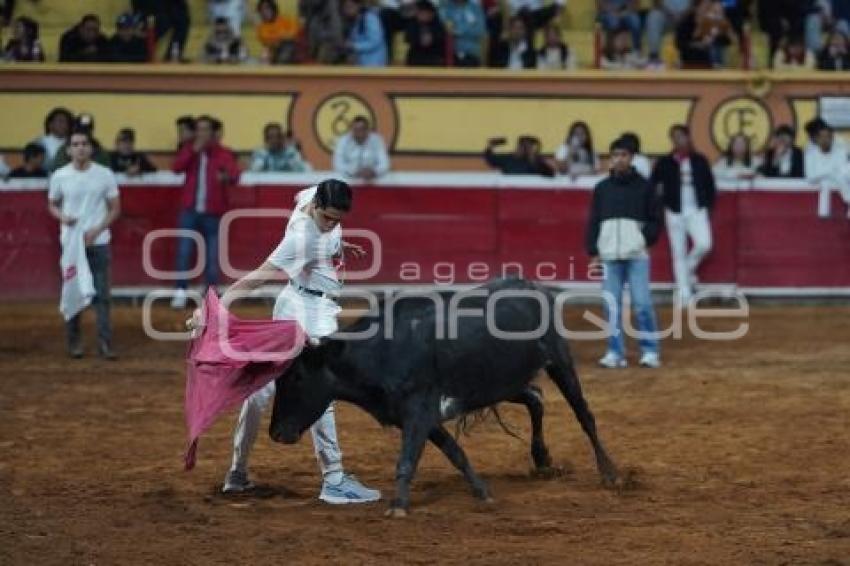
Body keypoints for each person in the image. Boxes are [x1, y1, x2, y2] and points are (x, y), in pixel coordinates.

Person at [213, 179, 380, 504]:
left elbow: (322, 231)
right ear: (316, 206)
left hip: (294, 304)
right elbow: (258, 276)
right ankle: (333, 480)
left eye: (338, 220)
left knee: (260, 392)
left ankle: (237, 472)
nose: (332, 225)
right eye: (327, 218)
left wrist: (338, 247)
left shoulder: (312, 195)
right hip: (312, 313)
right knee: (321, 391)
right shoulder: (301, 238)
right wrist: (217, 308)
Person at [586, 137, 662, 369]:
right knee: (611, 305)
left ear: (631, 158)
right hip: (609, 255)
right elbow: (594, 221)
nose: (619, 159)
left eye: (624, 155)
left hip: (636, 255)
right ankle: (615, 351)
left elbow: (656, 220)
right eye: (615, 155)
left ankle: (650, 351)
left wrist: (643, 239)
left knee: (642, 304)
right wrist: (594, 250)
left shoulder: (645, 187)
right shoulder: (602, 189)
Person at [47, 129, 121, 359]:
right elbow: (52, 204)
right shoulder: (60, 175)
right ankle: (74, 343)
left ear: (91, 148)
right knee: (72, 292)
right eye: (76, 144)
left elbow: (115, 208)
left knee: (102, 296)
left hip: (97, 241)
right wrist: (62, 217)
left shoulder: (104, 174)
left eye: (84, 143)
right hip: (72, 244)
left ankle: (104, 343)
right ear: (69, 150)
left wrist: (97, 229)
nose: (80, 147)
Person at [170, 115, 241, 309]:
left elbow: (235, 176)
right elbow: (176, 168)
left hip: (213, 213)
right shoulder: (189, 150)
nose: (202, 133)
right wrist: (193, 150)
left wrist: (225, 176)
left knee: (212, 257)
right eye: (199, 129)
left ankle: (210, 296)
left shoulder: (222, 153)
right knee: (184, 252)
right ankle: (180, 291)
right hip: (190, 210)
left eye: (205, 129)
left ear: (212, 132)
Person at [650, 124, 716, 303]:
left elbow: (710, 186)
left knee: (705, 244)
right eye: (675, 137)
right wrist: (662, 204)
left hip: (696, 210)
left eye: (681, 136)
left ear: (688, 137)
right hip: (674, 210)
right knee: (678, 252)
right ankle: (684, 293)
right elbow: (653, 183)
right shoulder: (665, 162)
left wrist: (706, 207)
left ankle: (686, 272)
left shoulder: (700, 160)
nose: (678, 140)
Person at [804, 120, 850, 217]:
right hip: (824, 187)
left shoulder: (841, 145)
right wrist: (829, 173)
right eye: (821, 137)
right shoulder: (810, 150)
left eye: (828, 136)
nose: (826, 139)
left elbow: (842, 171)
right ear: (815, 138)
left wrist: (830, 173)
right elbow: (811, 177)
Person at [332, 116, 390, 180]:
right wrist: (355, 172)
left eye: (362, 129)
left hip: (372, 180)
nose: (359, 133)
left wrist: (374, 171)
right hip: (349, 181)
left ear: (367, 130)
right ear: (351, 130)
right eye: (356, 129)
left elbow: (385, 163)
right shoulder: (343, 141)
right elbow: (338, 164)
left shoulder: (376, 140)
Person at [440, 0, 487, 67]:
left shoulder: (475, 8)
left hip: (471, 53)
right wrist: (469, 26)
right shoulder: (446, 7)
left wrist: (457, 30)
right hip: (450, 55)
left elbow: (479, 30)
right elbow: (443, 27)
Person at [342, 0, 388, 67]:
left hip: (374, 65)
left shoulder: (370, 18)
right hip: (361, 66)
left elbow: (374, 41)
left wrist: (353, 46)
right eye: (345, 7)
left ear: (358, 6)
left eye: (350, 7)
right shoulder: (354, 22)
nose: (347, 10)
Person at [484, 136, 555, 176]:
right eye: (522, 146)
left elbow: (550, 174)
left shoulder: (537, 161)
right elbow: (490, 159)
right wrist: (491, 146)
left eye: (528, 147)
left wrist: (532, 158)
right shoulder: (508, 158)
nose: (525, 149)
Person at [404, 0, 446, 67]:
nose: (422, 15)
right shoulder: (413, 23)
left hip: (434, 56)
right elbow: (408, 39)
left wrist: (432, 38)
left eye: (425, 13)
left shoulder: (437, 24)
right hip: (416, 56)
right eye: (420, 13)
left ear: (432, 14)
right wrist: (420, 40)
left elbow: (441, 38)